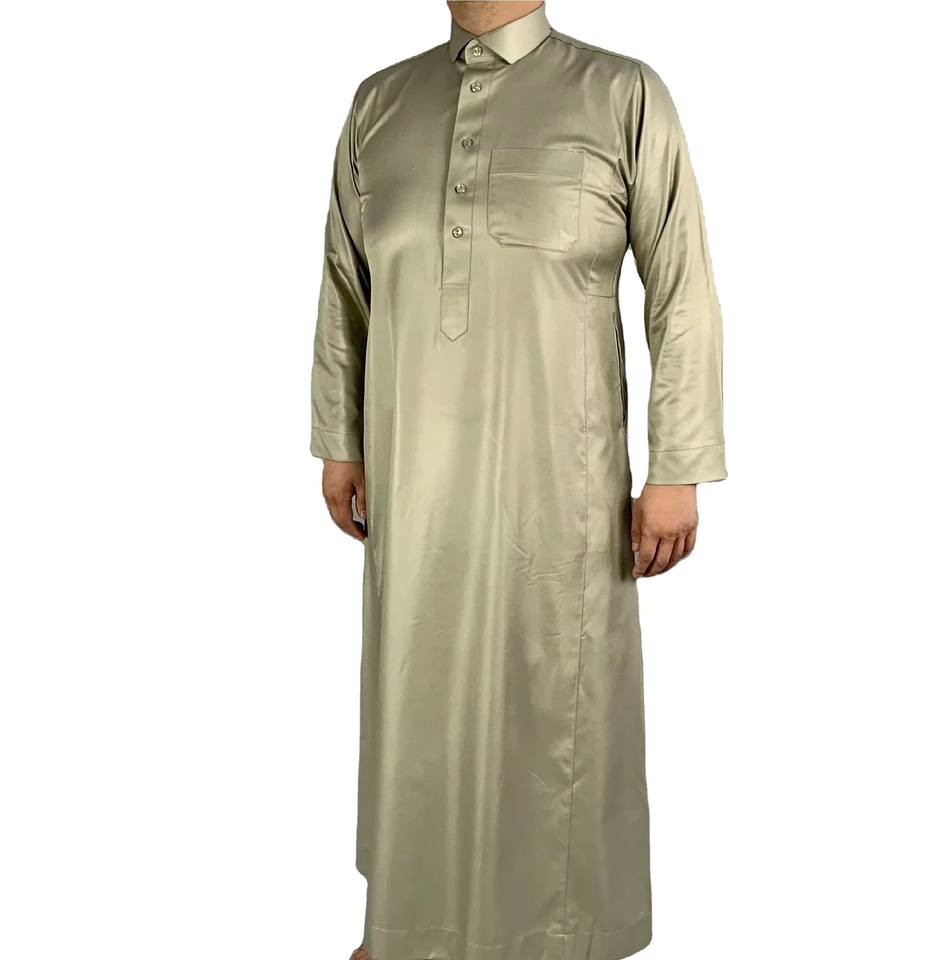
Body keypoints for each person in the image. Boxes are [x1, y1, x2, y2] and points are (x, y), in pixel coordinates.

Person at [310, 2, 726, 958]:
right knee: (417, 693)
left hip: (561, 485)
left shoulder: (621, 93)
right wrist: (340, 436)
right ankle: (409, 929)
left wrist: (678, 465)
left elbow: (682, 290)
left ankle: (555, 939)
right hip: (415, 476)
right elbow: (343, 285)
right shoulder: (380, 103)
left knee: (555, 708)